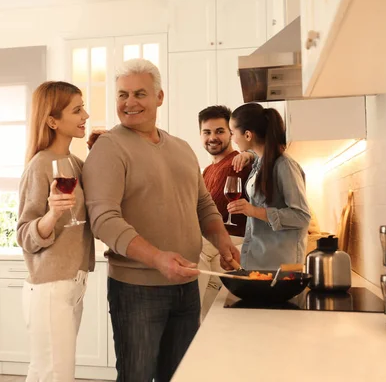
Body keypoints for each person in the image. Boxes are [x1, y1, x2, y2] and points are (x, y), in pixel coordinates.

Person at [82, 59, 240, 382]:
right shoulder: (108, 149)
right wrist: (157, 259)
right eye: (122, 95)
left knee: (181, 376)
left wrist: (223, 242)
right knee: (137, 376)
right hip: (137, 290)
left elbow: (204, 206)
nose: (129, 102)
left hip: (186, 286)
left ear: (159, 97)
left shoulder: (182, 148)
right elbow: (104, 220)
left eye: (140, 93)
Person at [16, 81, 95, 382]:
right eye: (76, 110)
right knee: (57, 376)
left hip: (73, 283)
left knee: (44, 373)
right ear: (52, 121)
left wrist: (99, 150)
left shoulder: (75, 163)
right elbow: (24, 234)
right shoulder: (40, 165)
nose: (85, 115)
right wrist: (52, 214)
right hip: (50, 286)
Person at [227, 102, 311, 268]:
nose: (232, 138)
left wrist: (253, 211)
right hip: (260, 260)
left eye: (232, 132)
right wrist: (248, 155)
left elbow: (302, 217)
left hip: (280, 266)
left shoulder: (284, 165)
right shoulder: (261, 162)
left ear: (248, 135)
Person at [196, 105, 252, 320]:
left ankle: (187, 314)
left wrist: (250, 154)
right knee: (208, 315)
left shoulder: (240, 162)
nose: (213, 137)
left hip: (234, 238)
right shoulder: (208, 170)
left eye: (219, 131)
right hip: (216, 241)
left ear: (231, 133)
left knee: (192, 247)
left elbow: (265, 158)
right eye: (206, 132)